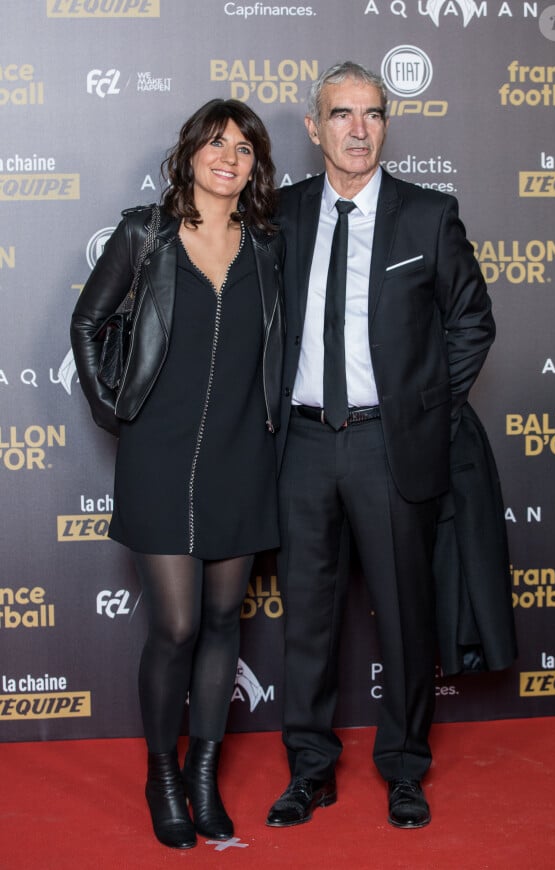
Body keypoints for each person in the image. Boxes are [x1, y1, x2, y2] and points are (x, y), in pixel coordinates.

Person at [266, 61, 495, 830]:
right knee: (308, 621)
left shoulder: (428, 215)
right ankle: (309, 770)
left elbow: (471, 321)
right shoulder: (283, 214)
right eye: (341, 114)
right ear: (314, 127)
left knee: (404, 617)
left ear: (385, 124)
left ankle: (403, 767)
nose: (358, 129)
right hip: (300, 444)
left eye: (371, 113)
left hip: (389, 447)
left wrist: (423, 409)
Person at [70, 99, 284, 850]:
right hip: (158, 461)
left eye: (246, 147)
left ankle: (203, 774)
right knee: (179, 624)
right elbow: (87, 324)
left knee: (226, 622)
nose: (230, 155)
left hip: (242, 456)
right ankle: (163, 774)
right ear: (190, 151)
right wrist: (115, 414)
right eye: (217, 141)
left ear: (257, 166)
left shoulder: (267, 244)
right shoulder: (145, 233)